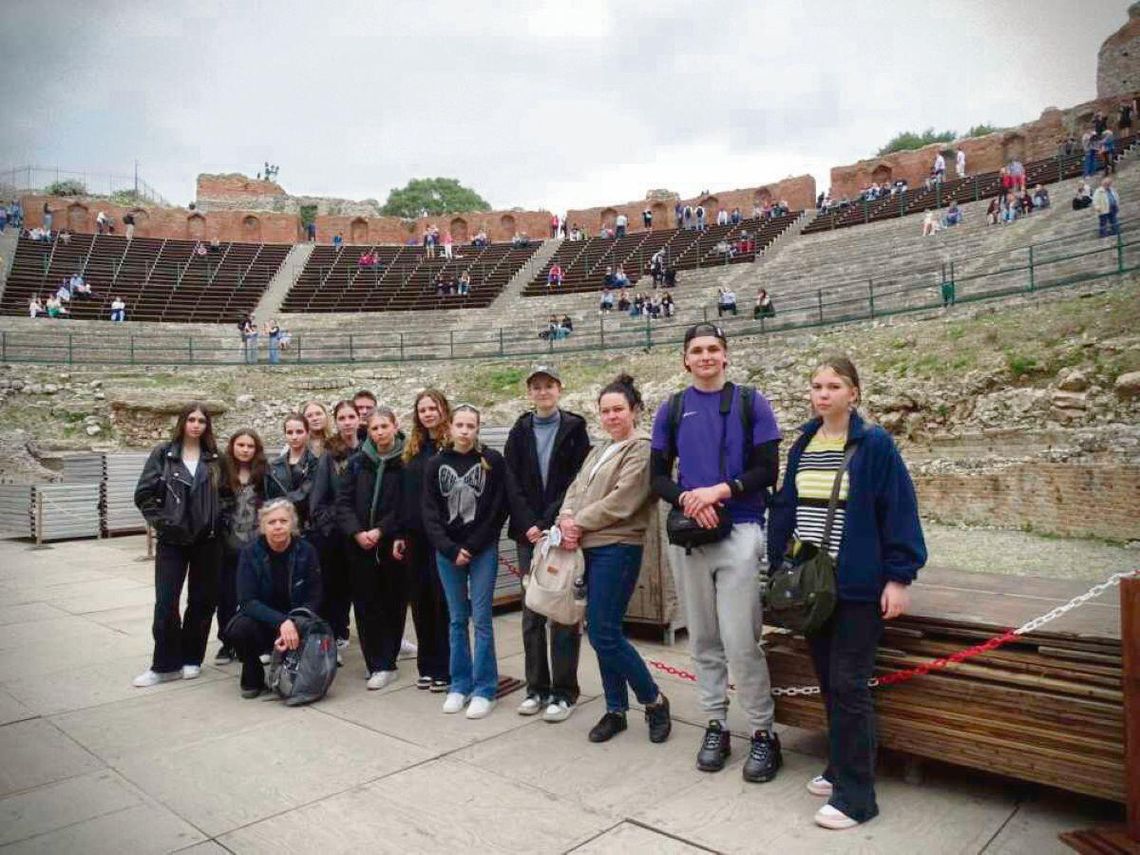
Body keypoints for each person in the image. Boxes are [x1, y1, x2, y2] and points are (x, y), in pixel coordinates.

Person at [768, 356, 926, 830]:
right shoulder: (803, 442)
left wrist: (899, 577)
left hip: (856, 585)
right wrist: (779, 564)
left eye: (833, 386)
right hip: (813, 587)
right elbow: (786, 505)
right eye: (816, 386)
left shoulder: (874, 444)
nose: (823, 394)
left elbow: (898, 509)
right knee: (828, 681)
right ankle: (839, 765)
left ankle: (857, 797)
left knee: (849, 685)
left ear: (853, 393)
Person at [650, 323, 783, 783]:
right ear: (685, 359)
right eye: (696, 350)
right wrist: (690, 499)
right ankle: (715, 724)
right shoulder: (673, 408)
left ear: (725, 356)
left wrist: (718, 492)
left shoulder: (751, 402)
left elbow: (768, 469)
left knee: (741, 640)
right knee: (703, 638)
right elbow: (658, 477)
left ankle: (763, 732)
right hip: (691, 533)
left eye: (713, 349)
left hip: (740, 528)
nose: (705, 357)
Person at [557, 373, 673, 745]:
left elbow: (624, 501)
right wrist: (564, 517)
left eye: (618, 410)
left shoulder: (642, 449)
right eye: (605, 411)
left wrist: (578, 520)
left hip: (617, 546)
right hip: (586, 546)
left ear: (634, 411)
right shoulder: (599, 450)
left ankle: (653, 700)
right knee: (603, 630)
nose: (611, 417)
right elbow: (575, 489)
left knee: (604, 631)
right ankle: (615, 709)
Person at [505, 367, 591, 722]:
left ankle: (564, 692)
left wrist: (549, 522)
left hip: (560, 531)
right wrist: (529, 524)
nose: (543, 392)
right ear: (530, 392)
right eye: (536, 387)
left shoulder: (574, 428)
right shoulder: (520, 430)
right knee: (532, 612)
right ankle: (536, 688)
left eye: (549, 386)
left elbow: (577, 480)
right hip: (529, 536)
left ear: (559, 389)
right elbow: (511, 481)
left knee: (563, 612)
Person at [421, 404, 509, 719]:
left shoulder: (491, 461)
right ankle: (459, 684)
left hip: (481, 549)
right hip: (448, 552)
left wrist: (471, 546)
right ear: (451, 427)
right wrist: (449, 548)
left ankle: (485, 688)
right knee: (457, 619)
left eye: (471, 426)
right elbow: (430, 514)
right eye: (460, 425)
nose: (465, 431)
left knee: (482, 619)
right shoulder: (436, 464)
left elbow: (498, 509)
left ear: (477, 428)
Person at [132, 403, 223, 687]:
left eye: (202, 421)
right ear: (183, 422)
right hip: (173, 540)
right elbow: (143, 494)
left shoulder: (215, 458)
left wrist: (217, 521)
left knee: (201, 602)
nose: (196, 425)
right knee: (166, 601)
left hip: (207, 541)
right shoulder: (164, 454)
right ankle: (164, 664)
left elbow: (230, 495)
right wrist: (163, 523)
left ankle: (192, 658)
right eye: (191, 419)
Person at [337, 408, 408, 689]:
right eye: (375, 428)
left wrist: (381, 530)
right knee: (366, 606)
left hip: (391, 545)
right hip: (360, 545)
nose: (379, 432)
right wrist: (356, 532)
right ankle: (374, 662)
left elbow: (406, 505)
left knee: (393, 603)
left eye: (384, 426)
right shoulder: (357, 463)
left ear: (394, 426)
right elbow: (342, 502)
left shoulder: (405, 462)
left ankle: (387, 661)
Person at [225, 499, 323, 699]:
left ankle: (291, 667)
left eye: (283, 521)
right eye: (271, 522)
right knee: (239, 629)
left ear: (292, 524)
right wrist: (282, 622)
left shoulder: (307, 551)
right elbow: (247, 601)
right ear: (262, 526)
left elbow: (315, 596)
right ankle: (252, 673)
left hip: (298, 621)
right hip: (265, 620)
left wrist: (294, 622)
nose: (278, 526)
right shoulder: (250, 553)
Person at [397, 390, 454, 692]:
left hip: (442, 536)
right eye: (423, 409)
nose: (428, 413)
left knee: (441, 602)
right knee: (419, 601)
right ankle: (427, 666)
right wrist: (400, 535)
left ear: (444, 410)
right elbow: (406, 494)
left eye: (433, 408)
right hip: (415, 536)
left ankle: (446, 667)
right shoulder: (414, 448)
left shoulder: (453, 444)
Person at [309, 401, 360, 653]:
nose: (348, 421)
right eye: (343, 417)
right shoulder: (330, 455)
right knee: (335, 590)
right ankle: (336, 636)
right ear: (336, 421)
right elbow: (318, 499)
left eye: (352, 416)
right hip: (336, 534)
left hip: (364, 532)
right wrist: (331, 527)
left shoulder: (368, 449)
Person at [214, 429, 267, 665]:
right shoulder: (221, 473)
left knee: (257, 595)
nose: (245, 450)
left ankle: (259, 640)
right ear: (232, 447)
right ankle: (227, 642)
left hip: (256, 545)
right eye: (241, 445)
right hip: (228, 544)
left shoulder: (264, 474)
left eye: (250, 446)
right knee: (226, 597)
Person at [265, 413, 318, 530]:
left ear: (308, 433)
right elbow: (268, 495)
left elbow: (306, 493)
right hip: (280, 524)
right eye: (289, 432)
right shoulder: (274, 465)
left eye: (299, 432)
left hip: (307, 524)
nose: (294, 437)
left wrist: (280, 503)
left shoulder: (316, 463)